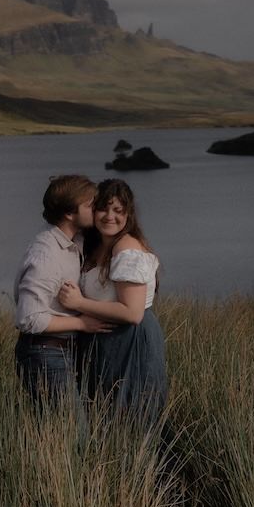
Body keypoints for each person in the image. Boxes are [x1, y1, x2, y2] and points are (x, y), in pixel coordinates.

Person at [58, 178, 166, 427]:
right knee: (103, 417)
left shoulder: (126, 248)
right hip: (105, 343)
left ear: (128, 215)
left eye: (118, 210)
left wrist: (78, 303)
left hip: (130, 342)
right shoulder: (95, 245)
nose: (110, 216)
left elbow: (132, 313)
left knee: (130, 415)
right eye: (103, 209)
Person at [13, 174, 111, 413]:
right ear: (69, 213)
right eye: (90, 205)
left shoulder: (75, 240)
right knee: (73, 430)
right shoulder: (47, 255)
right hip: (45, 353)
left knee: (67, 428)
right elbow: (28, 319)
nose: (97, 210)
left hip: (64, 350)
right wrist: (81, 323)